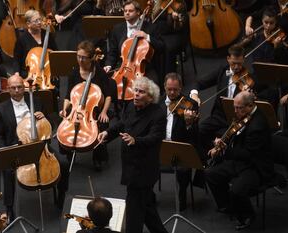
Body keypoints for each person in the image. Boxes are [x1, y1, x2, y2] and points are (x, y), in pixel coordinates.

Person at [0, 73, 69, 221]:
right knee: (8, 171)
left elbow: (50, 126)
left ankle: (62, 197)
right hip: (16, 148)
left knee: (64, 163)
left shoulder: (36, 101)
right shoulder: (1, 109)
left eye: (20, 87)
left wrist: (45, 118)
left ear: (24, 87)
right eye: (13, 88)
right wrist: (5, 151)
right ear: (8, 89)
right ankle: (9, 208)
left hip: (40, 146)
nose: (17, 90)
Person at [97, 77, 168, 233]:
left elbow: (155, 138)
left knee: (134, 216)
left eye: (141, 92)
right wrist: (107, 133)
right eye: (135, 90)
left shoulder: (158, 114)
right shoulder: (130, 106)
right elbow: (122, 124)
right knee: (147, 209)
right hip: (130, 166)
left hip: (144, 171)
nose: (136, 94)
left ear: (150, 97)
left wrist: (136, 140)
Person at [205, 91, 274, 231]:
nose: (235, 111)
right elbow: (234, 133)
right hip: (241, 161)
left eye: (238, 108)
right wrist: (221, 140)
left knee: (236, 190)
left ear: (250, 106)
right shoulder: (244, 116)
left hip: (255, 166)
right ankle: (228, 206)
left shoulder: (257, 125)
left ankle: (247, 215)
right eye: (234, 107)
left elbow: (247, 154)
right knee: (210, 174)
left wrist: (225, 150)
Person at [189, 45, 254, 162]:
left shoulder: (249, 77)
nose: (237, 67)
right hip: (218, 116)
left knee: (228, 141)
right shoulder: (222, 70)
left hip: (237, 120)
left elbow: (253, 105)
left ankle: (219, 161)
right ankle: (204, 160)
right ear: (228, 59)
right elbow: (199, 83)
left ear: (244, 60)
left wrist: (248, 96)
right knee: (200, 131)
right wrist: (194, 94)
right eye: (233, 63)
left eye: (239, 63)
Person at [59, 40, 115, 171]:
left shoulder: (99, 72)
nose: (80, 60)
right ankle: (68, 151)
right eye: (78, 56)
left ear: (91, 58)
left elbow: (107, 95)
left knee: (101, 124)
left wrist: (104, 112)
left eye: (83, 57)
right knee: (66, 123)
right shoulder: (74, 73)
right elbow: (68, 96)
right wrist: (64, 110)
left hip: (95, 109)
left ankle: (98, 158)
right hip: (76, 109)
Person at [159, 72, 198, 211]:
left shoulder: (190, 105)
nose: (172, 92)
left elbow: (195, 135)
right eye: (169, 89)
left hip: (180, 147)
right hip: (161, 146)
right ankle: (148, 196)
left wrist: (189, 124)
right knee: (144, 162)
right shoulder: (158, 102)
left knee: (183, 168)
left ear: (181, 88)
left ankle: (182, 193)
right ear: (164, 87)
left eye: (175, 89)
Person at [103, 0, 164, 85]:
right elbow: (112, 52)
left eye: (130, 11)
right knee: (111, 86)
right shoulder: (117, 29)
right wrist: (108, 65)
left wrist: (147, 36)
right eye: (125, 11)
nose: (127, 13)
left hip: (145, 69)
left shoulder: (151, 28)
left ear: (138, 12)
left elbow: (161, 47)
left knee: (150, 86)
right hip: (122, 68)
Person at [13, 9, 58, 79]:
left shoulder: (48, 34)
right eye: (36, 21)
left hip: (47, 71)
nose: (39, 22)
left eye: (40, 19)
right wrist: (17, 74)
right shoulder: (22, 39)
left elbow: (56, 53)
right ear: (28, 24)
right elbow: (17, 59)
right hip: (30, 74)